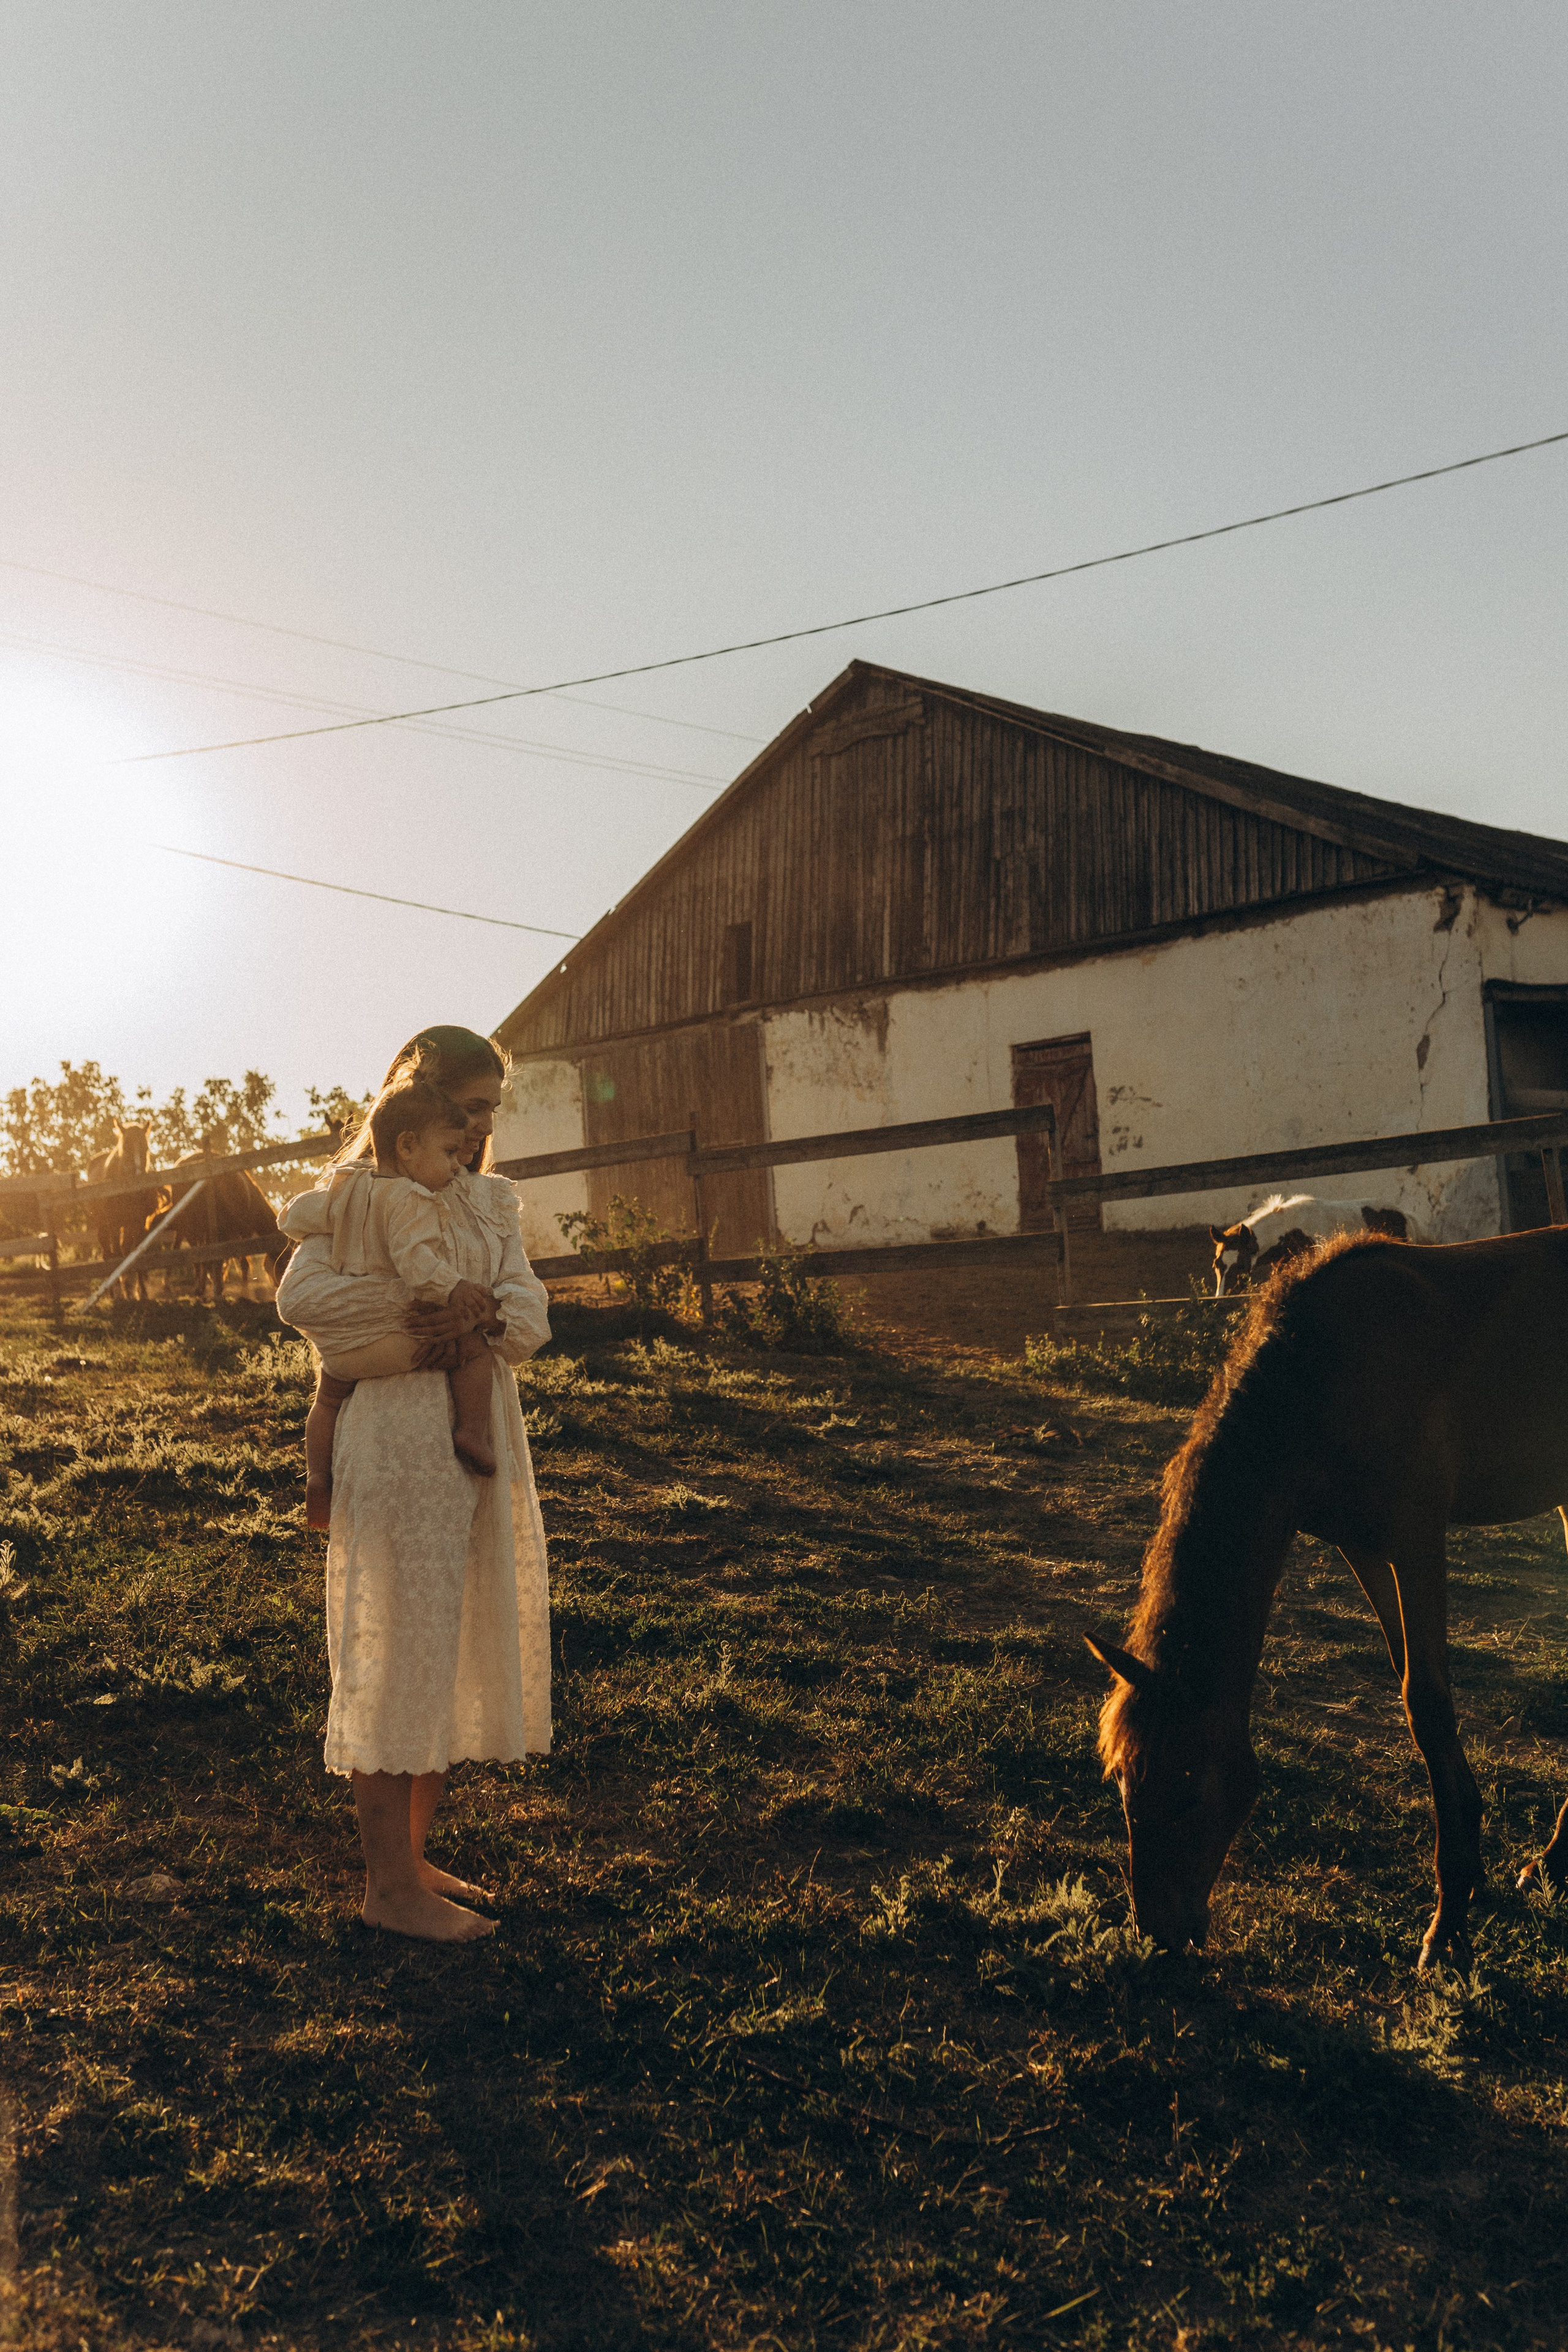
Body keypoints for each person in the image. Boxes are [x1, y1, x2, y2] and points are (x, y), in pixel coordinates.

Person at [275, 1024, 551, 1943]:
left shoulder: (492, 1204)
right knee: (397, 1644)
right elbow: (305, 1302)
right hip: (396, 1439)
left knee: (449, 1641)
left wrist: (486, 1314)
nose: (476, 1132)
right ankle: (387, 1887)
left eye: (487, 1115)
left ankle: (415, 1856)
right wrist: (427, 1312)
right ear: (418, 1104)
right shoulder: (351, 1198)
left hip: (474, 1436)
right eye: (464, 1112)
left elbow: (530, 1321)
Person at [285, 1074, 502, 1529]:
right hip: (401, 1338)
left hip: (344, 1350)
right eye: (447, 1152)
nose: (453, 1163)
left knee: (325, 1402)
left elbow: (299, 1214)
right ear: (407, 1147)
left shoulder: (347, 1187)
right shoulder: (411, 1196)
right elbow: (415, 1262)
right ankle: (471, 1432)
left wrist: (289, 1215)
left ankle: (318, 1477)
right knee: (472, 1350)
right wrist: (455, 1291)